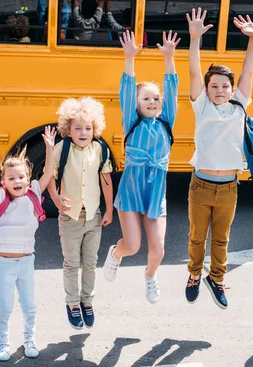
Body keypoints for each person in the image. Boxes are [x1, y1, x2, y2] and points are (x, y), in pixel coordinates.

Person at [184, 9, 253, 309]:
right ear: (207, 89)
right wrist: (194, 40)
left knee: (221, 240)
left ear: (232, 90)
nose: (219, 90)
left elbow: (248, 71)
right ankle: (193, 275)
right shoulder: (201, 105)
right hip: (201, 185)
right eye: (213, 86)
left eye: (224, 86)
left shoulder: (239, 105)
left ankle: (216, 278)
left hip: (229, 186)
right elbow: (193, 71)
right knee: (196, 238)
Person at [101, 30, 180, 303]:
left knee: (158, 250)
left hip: (156, 193)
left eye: (156, 98)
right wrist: (129, 59)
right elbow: (126, 88)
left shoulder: (166, 122)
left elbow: (172, 87)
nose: (153, 102)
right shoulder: (131, 122)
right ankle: (114, 255)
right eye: (146, 98)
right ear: (135, 104)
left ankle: (150, 276)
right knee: (132, 246)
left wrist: (168, 57)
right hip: (132, 191)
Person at [0, 126, 56, 361]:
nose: (17, 181)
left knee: (30, 304)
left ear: (28, 179)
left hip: (26, 261)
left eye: (21, 177)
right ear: (4, 182)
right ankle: (3, 343)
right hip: (5, 263)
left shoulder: (33, 192)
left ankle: (29, 339)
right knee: (5, 306)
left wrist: (50, 150)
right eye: (11, 178)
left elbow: (49, 172)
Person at [47, 97, 113, 330]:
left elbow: (106, 182)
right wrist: (55, 198)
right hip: (70, 217)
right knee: (71, 263)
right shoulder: (61, 149)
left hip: (93, 215)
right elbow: (50, 176)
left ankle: (88, 301)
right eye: (78, 128)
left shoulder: (100, 149)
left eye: (88, 128)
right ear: (68, 130)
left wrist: (109, 209)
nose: (83, 132)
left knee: (91, 263)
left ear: (94, 129)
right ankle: (73, 303)